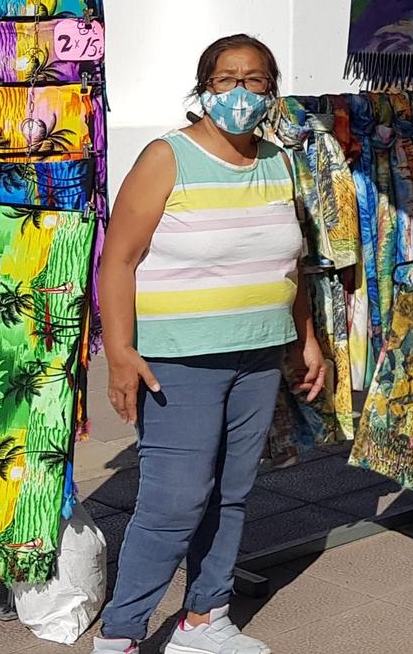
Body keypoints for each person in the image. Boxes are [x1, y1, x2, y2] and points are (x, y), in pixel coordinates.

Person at [91, 35, 327, 654]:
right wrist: (120, 352)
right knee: (173, 501)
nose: (240, 94)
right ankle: (121, 634)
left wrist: (307, 339)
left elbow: (292, 264)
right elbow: (118, 259)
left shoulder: (279, 162)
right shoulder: (167, 157)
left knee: (232, 492)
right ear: (203, 88)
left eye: (254, 81)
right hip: (180, 360)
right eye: (226, 80)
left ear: (272, 91)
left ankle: (205, 619)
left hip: (257, 354)